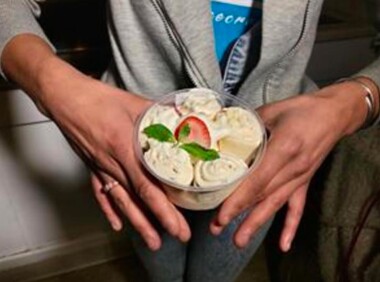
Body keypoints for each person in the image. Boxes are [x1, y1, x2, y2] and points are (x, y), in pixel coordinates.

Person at [0, 0, 379, 281]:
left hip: (265, 158)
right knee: (161, 270)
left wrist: (356, 100)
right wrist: (52, 86)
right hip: (136, 155)